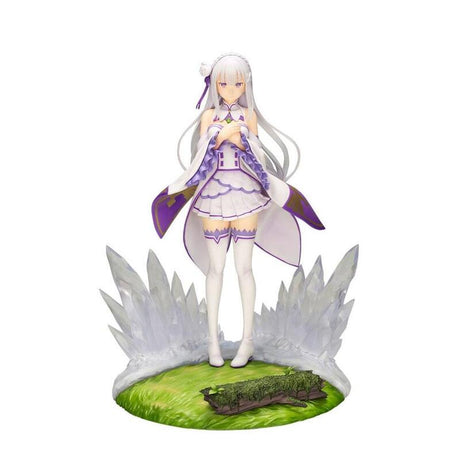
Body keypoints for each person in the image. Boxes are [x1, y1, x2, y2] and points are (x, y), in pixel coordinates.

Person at [152, 53, 324, 368]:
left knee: (244, 268)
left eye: (237, 84)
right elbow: (201, 153)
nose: (231, 90)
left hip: (245, 194)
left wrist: (240, 137)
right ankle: (213, 343)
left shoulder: (249, 115)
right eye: (224, 84)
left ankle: (247, 341)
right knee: (215, 269)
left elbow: (257, 152)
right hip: (213, 194)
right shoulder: (209, 116)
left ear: (246, 84)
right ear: (215, 85)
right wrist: (222, 135)